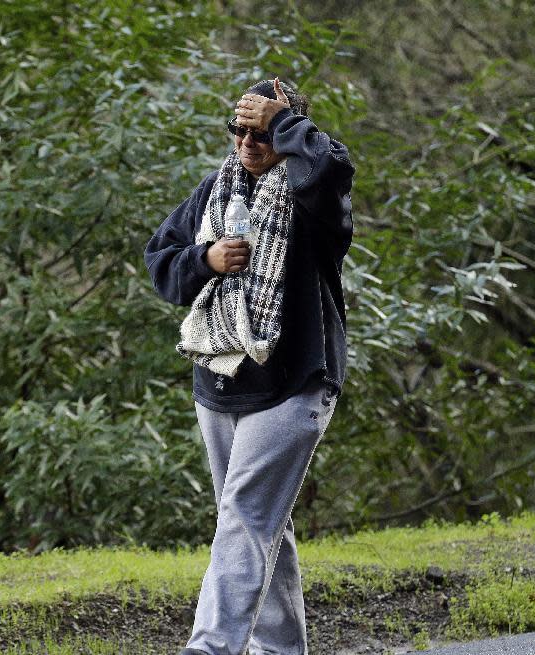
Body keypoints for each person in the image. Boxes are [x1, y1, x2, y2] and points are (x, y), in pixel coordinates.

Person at [143, 77, 355, 655]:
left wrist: (281, 120)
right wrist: (204, 259)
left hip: (296, 385)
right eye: (239, 129)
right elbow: (160, 263)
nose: (247, 141)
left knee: (245, 516)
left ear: (286, 134)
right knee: (259, 521)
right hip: (221, 380)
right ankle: (282, 650)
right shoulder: (215, 193)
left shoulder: (312, 196)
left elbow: (332, 166)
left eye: (260, 131)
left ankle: (210, 648)